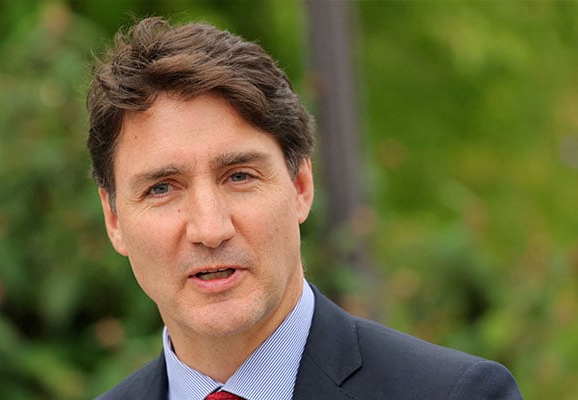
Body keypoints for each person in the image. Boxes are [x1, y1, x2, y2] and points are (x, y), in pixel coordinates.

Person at [86, 17, 523, 400]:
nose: (210, 228)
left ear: (300, 185)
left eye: (239, 176)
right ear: (114, 219)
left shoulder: (455, 394)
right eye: (162, 188)